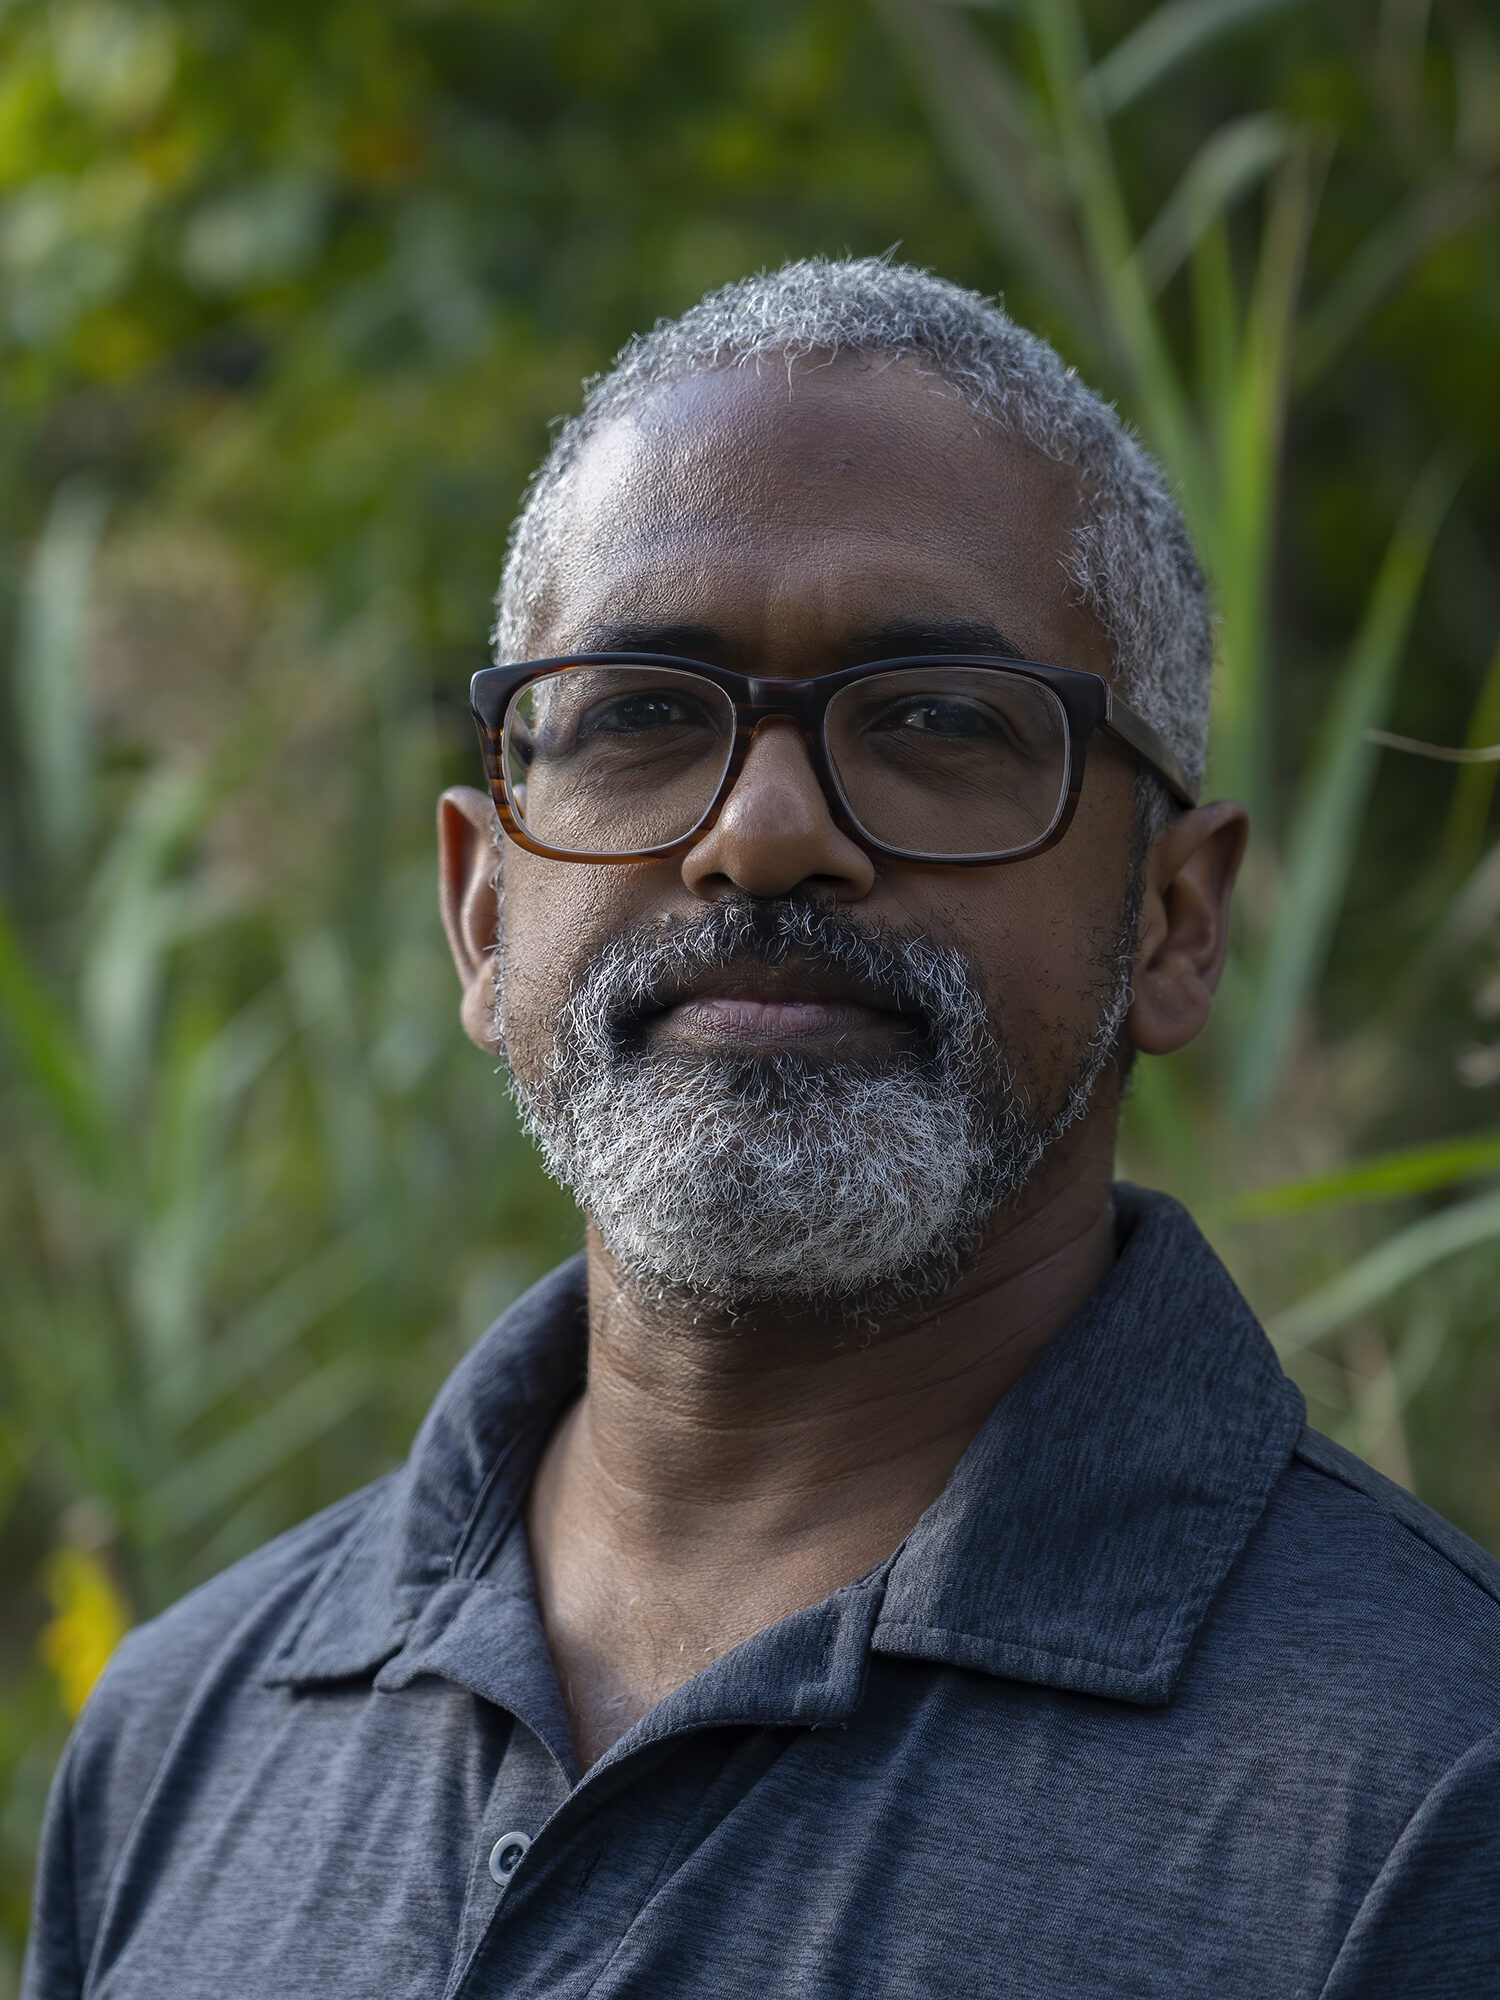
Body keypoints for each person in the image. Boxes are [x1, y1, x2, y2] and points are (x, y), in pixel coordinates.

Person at [23, 259, 1500, 2000]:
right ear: (485, 914)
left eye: (941, 720)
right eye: (645, 713)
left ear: (1174, 919)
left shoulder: (1425, 1792)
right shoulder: (190, 1723)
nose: (768, 831)